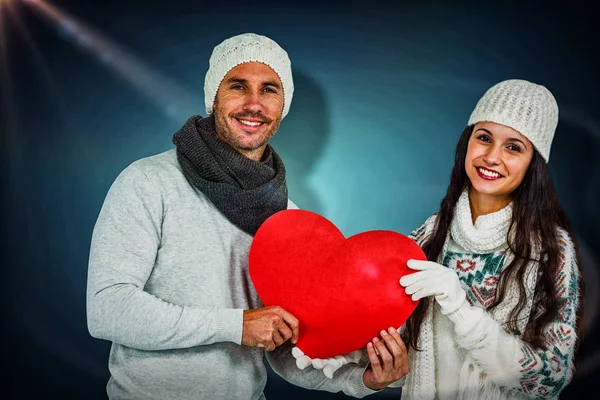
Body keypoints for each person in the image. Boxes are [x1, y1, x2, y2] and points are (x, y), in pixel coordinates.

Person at [86, 32, 404, 400]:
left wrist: (362, 380)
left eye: (269, 89)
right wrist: (235, 326)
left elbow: (287, 351)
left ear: (282, 106)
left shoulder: (288, 219)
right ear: (213, 97)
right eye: (238, 86)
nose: (254, 104)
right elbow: (108, 309)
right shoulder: (148, 182)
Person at [295, 79, 584, 400]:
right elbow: (396, 343)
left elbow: (550, 379)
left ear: (534, 164)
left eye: (513, 147)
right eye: (484, 138)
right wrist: (339, 349)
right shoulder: (426, 238)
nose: (491, 156)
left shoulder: (550, 250)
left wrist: (460, 310)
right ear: (466, 143)